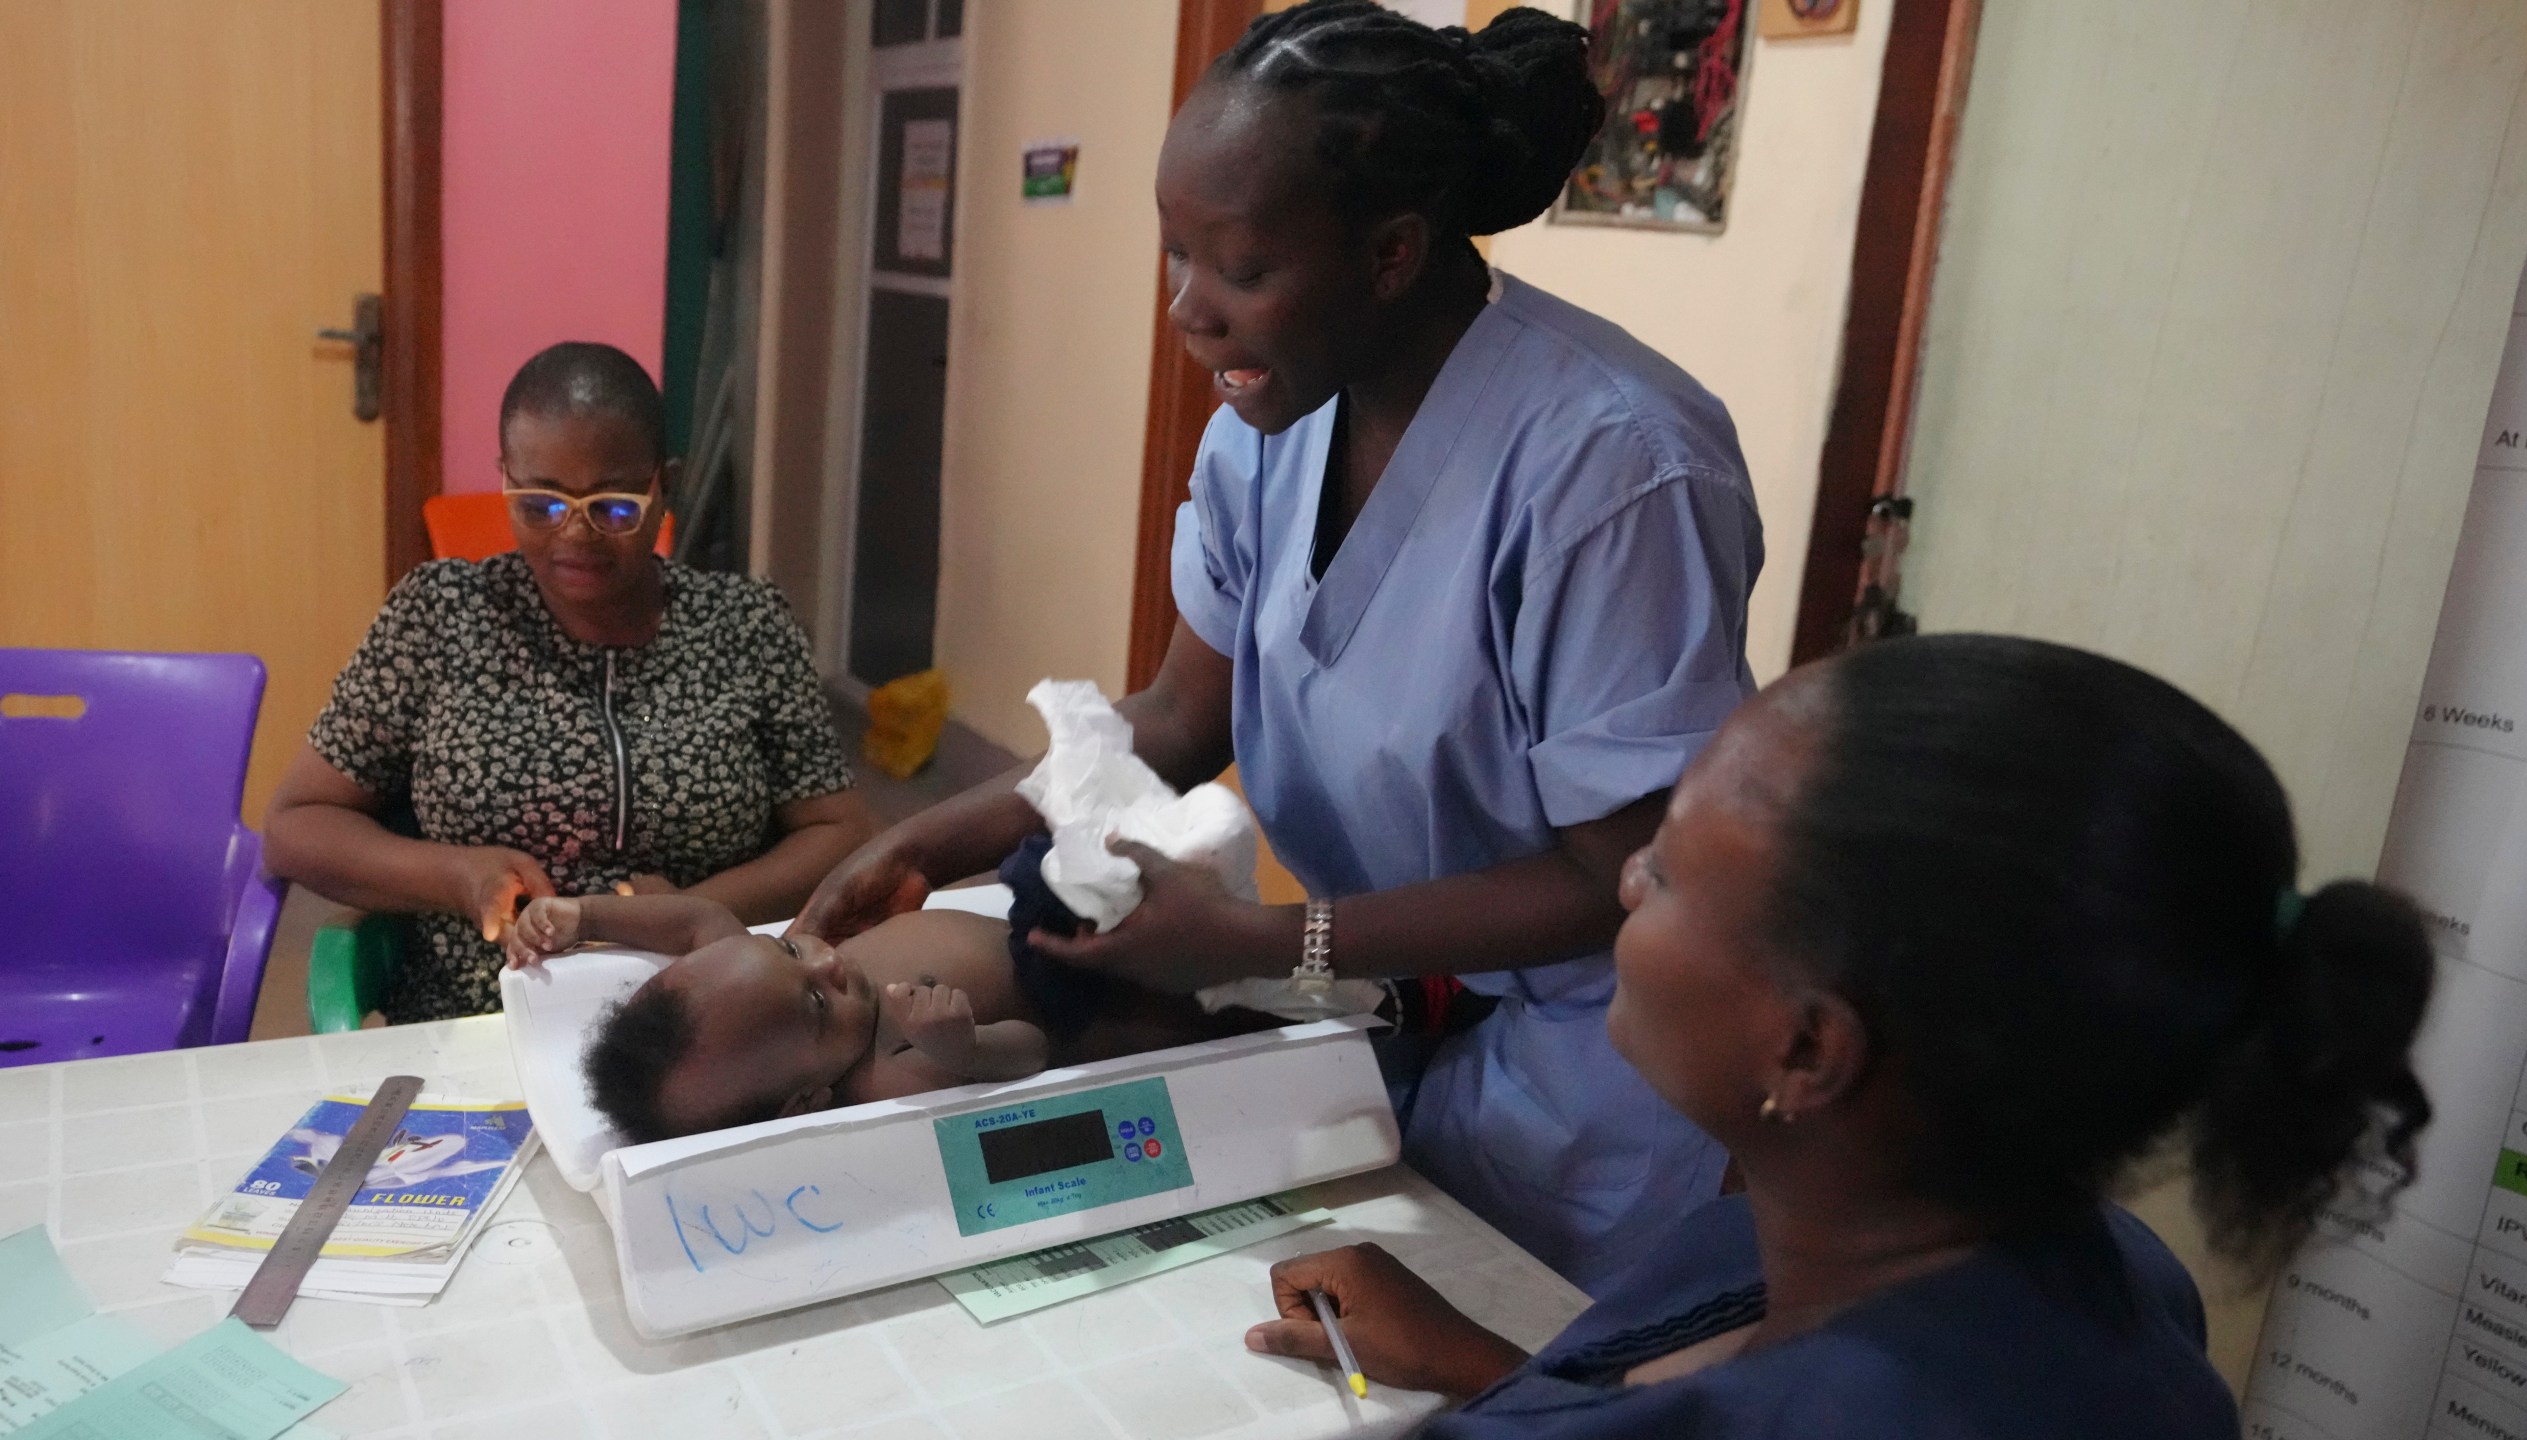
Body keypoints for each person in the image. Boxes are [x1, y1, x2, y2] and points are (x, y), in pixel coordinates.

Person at [797, 1, 1761, 1294]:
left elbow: (1622, 879)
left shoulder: (1613, 469)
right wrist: (935, 835)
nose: (1192, 312)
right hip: (1375, 1007)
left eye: (1240, 268)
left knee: (1518, 1377)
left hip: (1586, 1066)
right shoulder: (1268, 424)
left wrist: (1269, 946)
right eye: (1173, 255)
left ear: (1392, 254)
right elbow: (1188, 711)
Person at [1235, 635, 2435, 1437]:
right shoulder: (2119, 1284)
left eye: (1673, 870)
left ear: (1808, 1052)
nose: (1629, 876)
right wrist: (1486, 1370)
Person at [265, 342, 870, 1022]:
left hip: (704, 1015)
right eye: (540, 504)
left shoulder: (744, 624)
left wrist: (695, 910)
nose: (574, 535)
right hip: (481, 1015)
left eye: (612, 507)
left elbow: (839, 830)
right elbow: (297, 826)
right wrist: (461, 876)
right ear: (504, 481)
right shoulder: (443, 613)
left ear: (662, 484)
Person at [508, 842, 1275, 1142]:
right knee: (1182, 1026)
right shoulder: (885, 1073)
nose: (827, 965)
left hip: (1029, 920)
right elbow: (1034, 1051)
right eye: (816, 1005)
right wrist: (966, 1049)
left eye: (789, 948)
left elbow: (701, 920)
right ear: (805, 1102)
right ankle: (1285, 1017)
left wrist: (586, 916)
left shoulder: (751, 982)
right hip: (1074, 997)